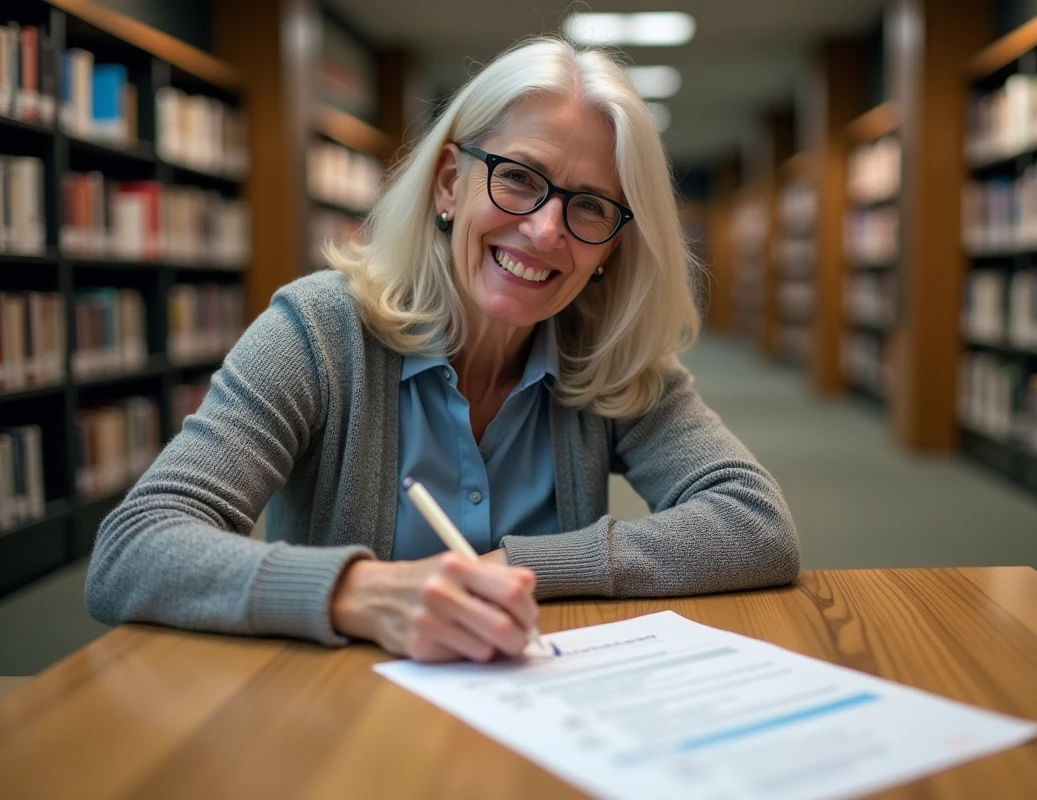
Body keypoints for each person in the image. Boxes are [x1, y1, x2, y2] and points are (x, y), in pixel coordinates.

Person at [85, 37, 799, 663]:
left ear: (612, 244)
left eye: (588, 206)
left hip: (538, 716)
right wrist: (357, 592)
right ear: (451, 182)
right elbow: (134, 549)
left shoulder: (609, 355)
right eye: (519, 177)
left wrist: (521, 567)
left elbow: (755, 523)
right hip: (336, 717)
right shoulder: (317, 333)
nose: (547, 231)